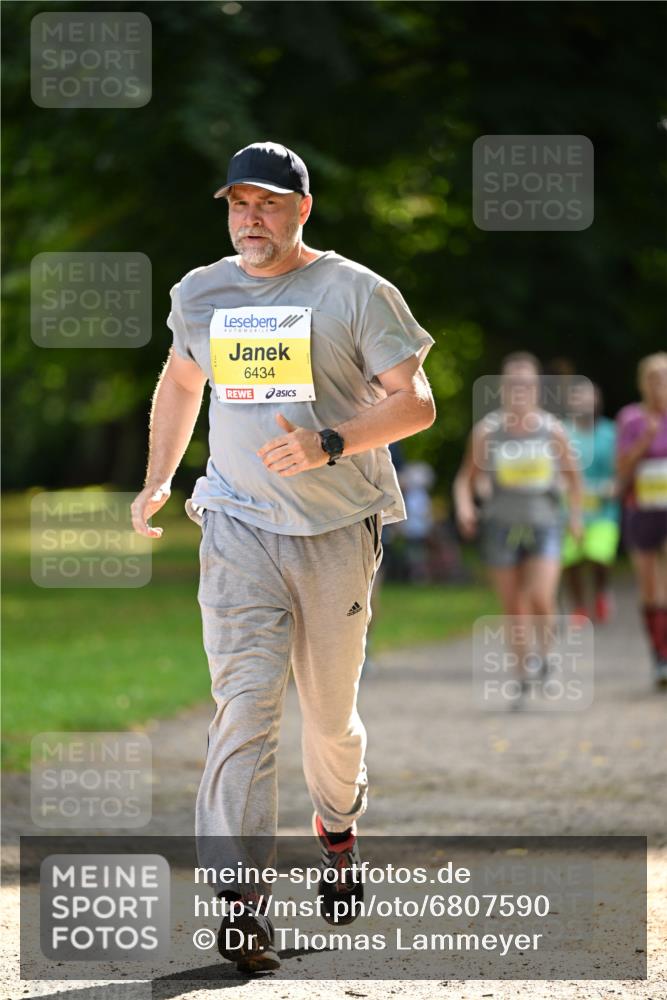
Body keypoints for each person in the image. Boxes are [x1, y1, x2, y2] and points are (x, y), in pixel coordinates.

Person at [130, 141, 436, 972]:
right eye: (238, 204)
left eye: (267, 203)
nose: (250, 219)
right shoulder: (201, 291)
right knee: (245, 706)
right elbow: (181, 379)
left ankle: (336, 824)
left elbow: (416, 403)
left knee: (328, 720)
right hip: (234, 525)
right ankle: (240, 903)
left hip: (335, 530)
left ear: (303, 207)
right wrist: (159, 478)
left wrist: (330, 442)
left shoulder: (355, 291)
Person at [454, 352, 583, 707]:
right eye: (513, 384)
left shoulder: (552, 429)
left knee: (541, 595)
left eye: (526, 384)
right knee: (514, 606)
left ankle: (548, 653)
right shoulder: (488, 431)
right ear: (503, 389)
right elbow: (466, 479)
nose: (519, 390)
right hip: (500, 525)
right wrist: (466, 506)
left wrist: (575, 517)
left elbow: (573, 479)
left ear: (537, 388)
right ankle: (523, 676)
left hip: (544, 523)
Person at [616, 352, 667, 688]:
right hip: (642, 507)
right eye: (653, 379)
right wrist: (645, 442)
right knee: (649, 587)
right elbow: (621, 471)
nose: (659, 385)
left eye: (663, 378)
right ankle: (659, 655)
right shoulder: (631, 418)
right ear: (642, 383)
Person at [562, 380, 620, 623]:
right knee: (572, 560)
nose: (583, 402)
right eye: (578, 397)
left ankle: (601, 592)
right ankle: (579, 606)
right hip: (569, 509)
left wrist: (617, 483)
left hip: (603, 509)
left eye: (589, 397)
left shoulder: (611, 432)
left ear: (597, 401)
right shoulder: (562, 431)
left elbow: (621, 466)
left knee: (599, 556)